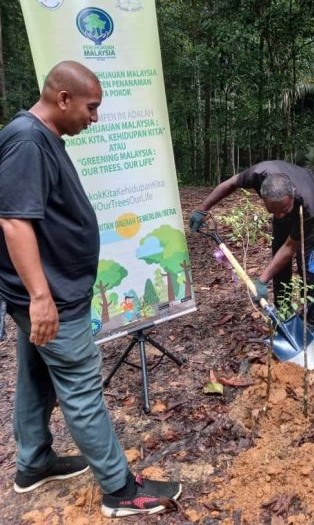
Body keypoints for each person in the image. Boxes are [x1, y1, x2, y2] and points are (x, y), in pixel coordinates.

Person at [0, 61, 181, 518]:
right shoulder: (27, 141)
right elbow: (14, 222)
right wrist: (41, 297)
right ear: (63, 98)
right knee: (81, 389)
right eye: (91, 107)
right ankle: (120, 490)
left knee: (37, 377)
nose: (94, 117)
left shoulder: (41, 137)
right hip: (50, 298)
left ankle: (34, 462)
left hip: (47, 294)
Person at [189, 161, 314, 337]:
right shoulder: (257, 174)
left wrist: (262, 280)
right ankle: (283, 312)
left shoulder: (310, 205)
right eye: (272, 210)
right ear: (264, 197)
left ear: (292, 195)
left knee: (306, 260)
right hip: (290, 201)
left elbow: (290, 247)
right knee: (277, 253)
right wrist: (203, 208)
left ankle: (310, 322)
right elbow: (230, 184)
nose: (279, 216)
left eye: (284, 210)